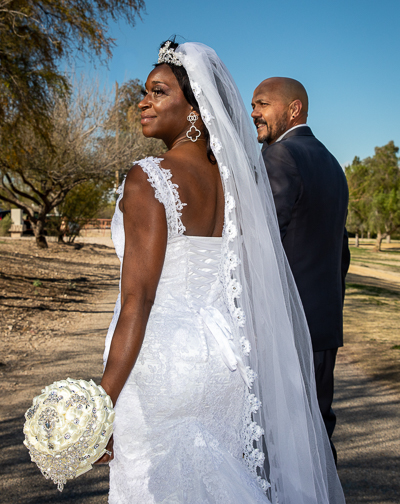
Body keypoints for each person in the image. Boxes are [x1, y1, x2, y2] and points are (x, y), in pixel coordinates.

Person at [97, 43, 346, 503]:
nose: (142, 102)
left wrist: (100, 401)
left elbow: (139, 299)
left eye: (157, 92)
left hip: (163, 361)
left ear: (195, 108)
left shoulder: (147, 176)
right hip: (225, 360)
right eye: (145, 92)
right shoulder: (239, 182)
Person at [251, 77, 350, 462]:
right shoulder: (332, 164)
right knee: (316, 434)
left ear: (293, 110)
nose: (254, 113)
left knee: (279, 441)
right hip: (325, 325)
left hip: (285, 327)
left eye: (262, 104)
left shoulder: (279, 155)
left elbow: (262, 241)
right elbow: (340, 254)